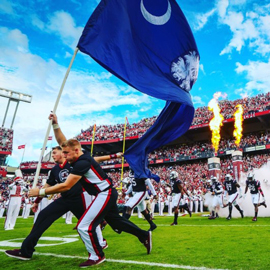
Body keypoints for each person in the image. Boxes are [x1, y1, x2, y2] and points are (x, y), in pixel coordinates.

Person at [6, 113, 152, 267]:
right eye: (61, 152)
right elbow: (62, 141)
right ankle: (143, 235)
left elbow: (66, 185)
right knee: (114, 221)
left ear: (76, 151)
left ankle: (97, 255)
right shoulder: (72, 159)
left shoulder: (80, 162)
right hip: (93, 195)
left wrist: (40, 193)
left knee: (84, 225)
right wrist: (56, 124)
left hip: (99, 194)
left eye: (65, 153)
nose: (63, 155)